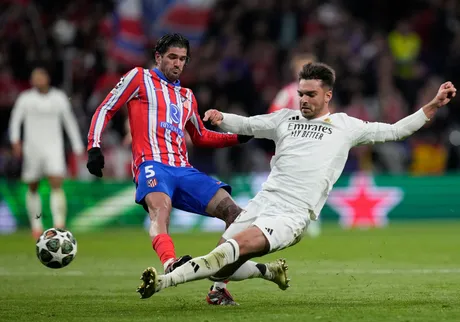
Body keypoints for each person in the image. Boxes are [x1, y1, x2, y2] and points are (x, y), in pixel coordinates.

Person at [136, 62, 456, 302]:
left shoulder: (346, 126)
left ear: (327, 95)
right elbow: (250, 124)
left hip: (292, 213)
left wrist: (434, 104)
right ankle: (268, 272)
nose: (303, 99)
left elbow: (396, 130)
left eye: (311, 94)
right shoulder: (285, 119)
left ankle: (166, 281)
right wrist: (222, 118)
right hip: (264, 201)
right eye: (301, 93)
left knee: (238, 247)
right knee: (222, 267)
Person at [86, 33, 251, 275]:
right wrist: (94, 146)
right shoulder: (139, 77)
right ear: (158, 57)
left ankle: (217, 279)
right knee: (160, 210)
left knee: (235, 214)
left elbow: (201, 136)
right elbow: (106, 108)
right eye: (172, 57)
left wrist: (236, 137)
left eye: (182, 59)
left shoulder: (187, 96)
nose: (177, 63)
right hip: (152, 165)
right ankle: (170, 263)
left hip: (184, 170)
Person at [9, 67, 84, 239]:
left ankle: (59, 225)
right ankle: (36, 225)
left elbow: (69, 121)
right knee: (33, 185)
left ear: (47, 78)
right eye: (35, 77)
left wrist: (77, 146)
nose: (38, 80)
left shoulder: (58, 97)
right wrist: (15, 140)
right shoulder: (25, 98)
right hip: (32, 147)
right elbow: (15, 119)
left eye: (41, 77)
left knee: (56, 182)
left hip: (53, 146)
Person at [269, 51, 322, 238]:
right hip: (291, 146)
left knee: (313, 182)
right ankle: (281, 222)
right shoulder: (288, 93)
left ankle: (312, 220)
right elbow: (273, 114)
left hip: (314, 145)